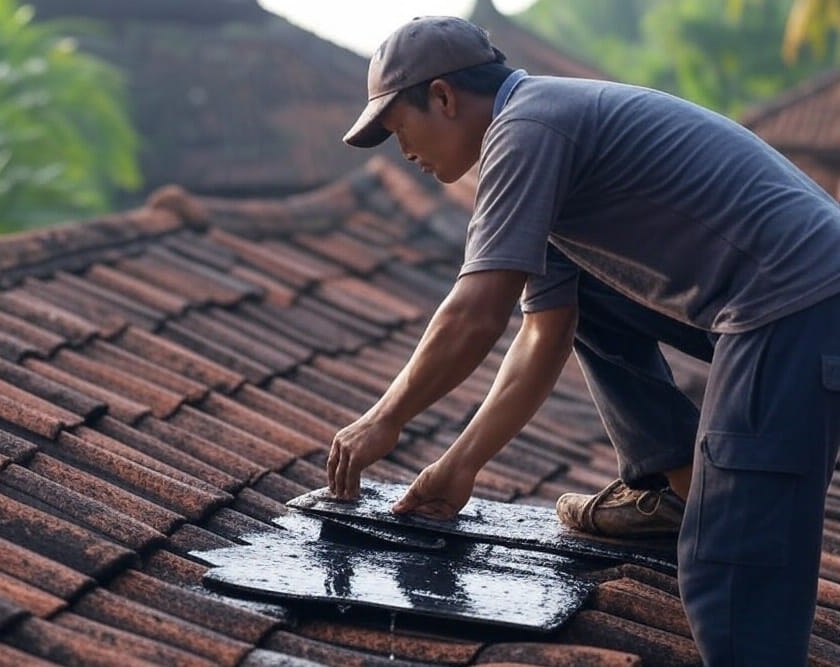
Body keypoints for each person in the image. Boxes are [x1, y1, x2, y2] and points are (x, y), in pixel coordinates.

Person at [328, 15, 840, 666]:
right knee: (585, 294)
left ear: (444, 97)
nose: (406, 153)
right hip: (787, 302)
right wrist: (459, 467)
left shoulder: (526, 129)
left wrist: (383, 419)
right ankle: (674, 483)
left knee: (730, 569)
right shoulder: (545, 139)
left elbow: (475, 313)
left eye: (401, 129)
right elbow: (546, 332)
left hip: (796, 307)